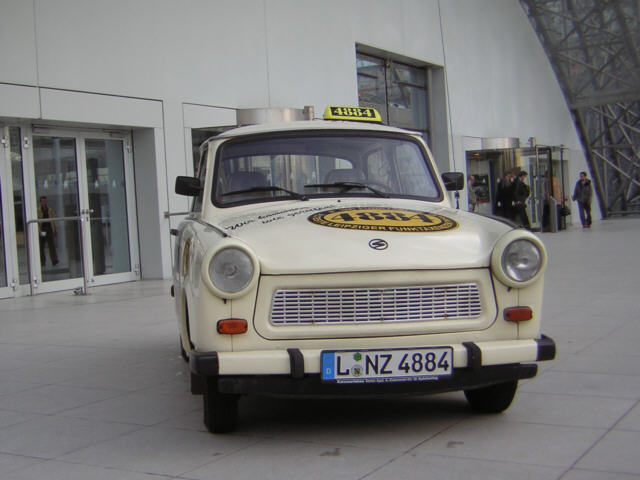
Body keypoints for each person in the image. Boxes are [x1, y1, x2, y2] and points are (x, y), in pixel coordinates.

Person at [37, 196, 59, 266]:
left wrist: (55, 229)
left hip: (49, 229)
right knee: (41, 246)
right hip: (42, 230)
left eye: (45, 201)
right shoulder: (38, 210)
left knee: (51, 245)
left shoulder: (50, 210)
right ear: (40, 202)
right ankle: (42, 261)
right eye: (42, 201)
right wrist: (39, 231)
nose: (44, 203)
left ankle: (54, 260)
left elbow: (53, 220)